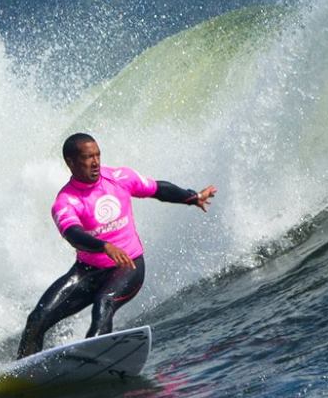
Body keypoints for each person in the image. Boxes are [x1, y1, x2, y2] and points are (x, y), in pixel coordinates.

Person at [16, 132, 217, 358]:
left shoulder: (119, 178)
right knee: (37, 319)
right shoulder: (65, 201)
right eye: (88, 157)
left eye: (97, 155)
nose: (95, 162)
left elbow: (158, 189)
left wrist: (192, 197)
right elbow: (73, 234)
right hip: (87, 271)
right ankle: (23, 371)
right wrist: (104, 246)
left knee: (103, 304)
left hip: (128, 266)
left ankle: (93, 362)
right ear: (70, 162)